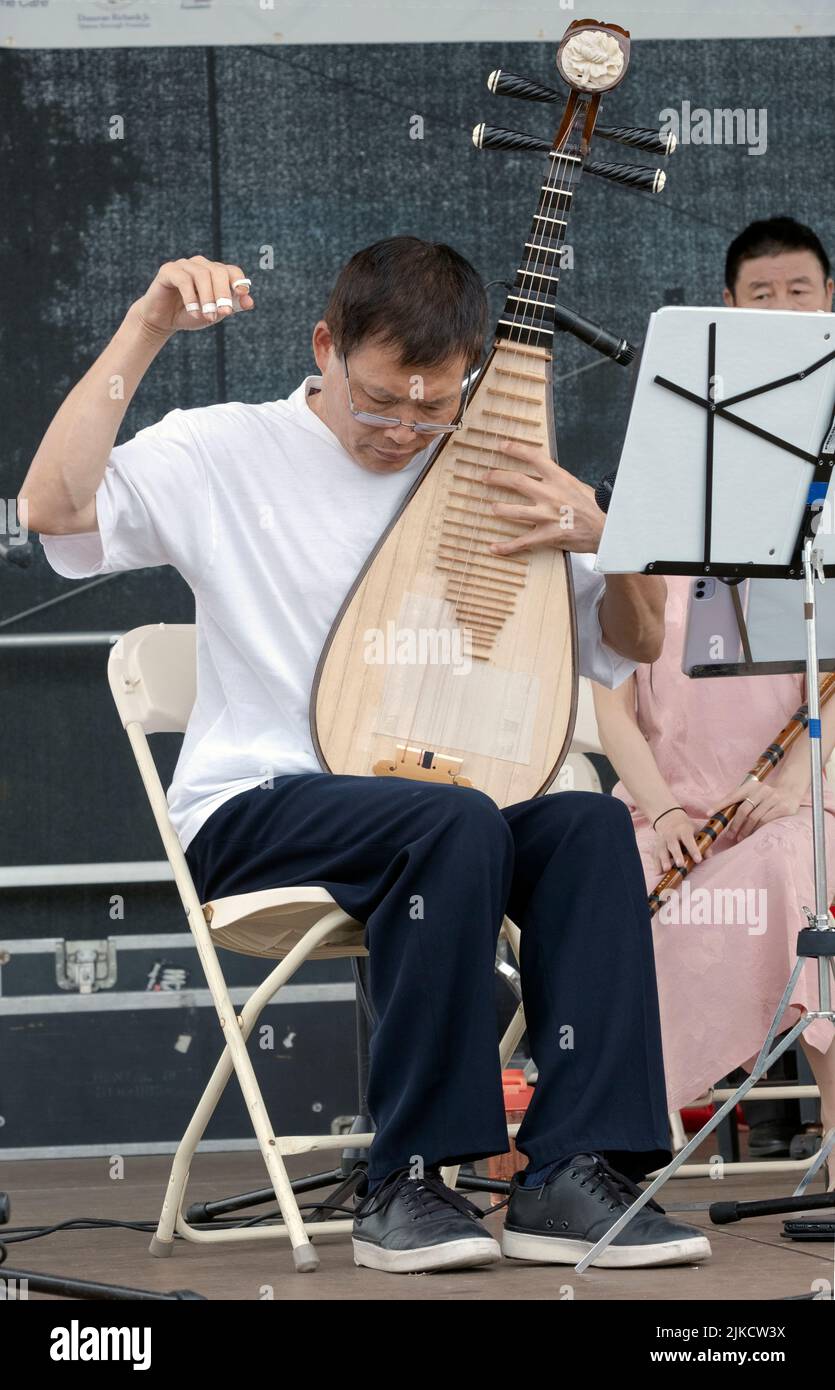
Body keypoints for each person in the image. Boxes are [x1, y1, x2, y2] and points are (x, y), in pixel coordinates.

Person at [20, 236, 710, 1274]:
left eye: (433, 410)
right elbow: (53, 510)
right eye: (381, 403)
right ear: (323, 348)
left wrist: (605, 535)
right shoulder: (224, 450)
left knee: (584, 825)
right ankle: (409, 1177)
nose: (403, 432)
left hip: (441, 815)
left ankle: (571, 1169)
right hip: (260, 805)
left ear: (470, 379)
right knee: (452, 820)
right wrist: (150, 322)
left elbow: (637, 645)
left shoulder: (490, 475)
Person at [593, 217, 835, 1185]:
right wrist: (657, 804)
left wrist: (801, 782)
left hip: (797, 787)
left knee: (797, 854)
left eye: (800, 291)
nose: (779, 308)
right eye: (759, 294)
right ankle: (606, 1144)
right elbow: (606, 688)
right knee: (604, 871)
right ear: (725, 310)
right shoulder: (666, 465)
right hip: (670, 799)